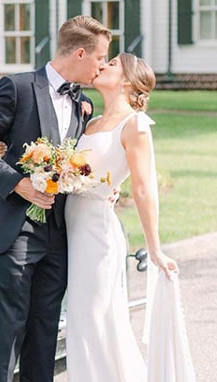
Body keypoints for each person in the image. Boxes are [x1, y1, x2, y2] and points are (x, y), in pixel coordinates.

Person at [0, 16, 111, 382]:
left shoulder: (83, 103)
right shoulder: (17, 87)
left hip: (58, 235)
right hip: (15, 230)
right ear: (79, 52)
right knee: (7, 330)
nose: (103, 66)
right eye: (100, 58)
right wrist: (18, 184)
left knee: (44, 334)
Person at [65, 53, 179, 381]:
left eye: (111, 64)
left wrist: (154, 248)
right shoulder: (89, 123)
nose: (102, 66)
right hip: (72, 230)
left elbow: (144, 190)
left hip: (97, 237)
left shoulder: (136, 125)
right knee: (82, 322)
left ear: (127, 81)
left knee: (95, 322)